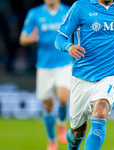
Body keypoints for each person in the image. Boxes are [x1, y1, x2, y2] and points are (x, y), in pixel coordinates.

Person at [55, 0, 114, 149]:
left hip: (112, 74)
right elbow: (59, 39)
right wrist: (68, 47)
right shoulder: (80, 7)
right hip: (82, 76)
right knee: (77, 132)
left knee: (100, 112)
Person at [19, 0, 73, 150]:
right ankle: (52, 140)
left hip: (64, 62)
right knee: (48, 105)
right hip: (44, 65)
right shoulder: (34, 14)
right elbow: (22, 38)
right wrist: (30, 39)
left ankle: (61, 123)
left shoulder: (69, 11)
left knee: (63, 98)